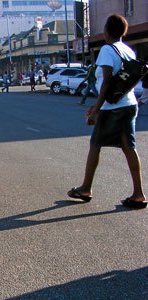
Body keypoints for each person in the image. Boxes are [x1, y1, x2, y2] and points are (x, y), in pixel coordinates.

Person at [67, 14, 146, 209]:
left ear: (107, 31)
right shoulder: (128, 50)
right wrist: (96, 106)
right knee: (129, 148)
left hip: (113, 107)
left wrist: (97, 110)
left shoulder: (106, 49)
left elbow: (107, 82)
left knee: (95, 144)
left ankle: (85, 188)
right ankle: (139, 194)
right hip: (129, 104)